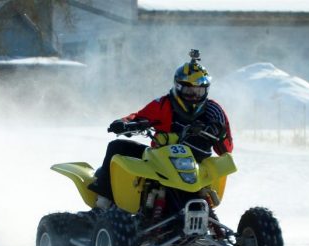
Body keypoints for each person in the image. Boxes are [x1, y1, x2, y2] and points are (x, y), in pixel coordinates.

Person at [89, 49, 233, 208]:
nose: (194, 96)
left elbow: (226, 149)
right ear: (178, 87)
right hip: (161, 163)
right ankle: (102, 204)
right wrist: (123, 123)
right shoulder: (163, 104)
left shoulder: (214, 110)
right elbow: (138, 117)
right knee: (117, 147)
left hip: (196, 169)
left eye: (199, 91)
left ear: (206, 90)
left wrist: (218, 133)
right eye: (189, 91)